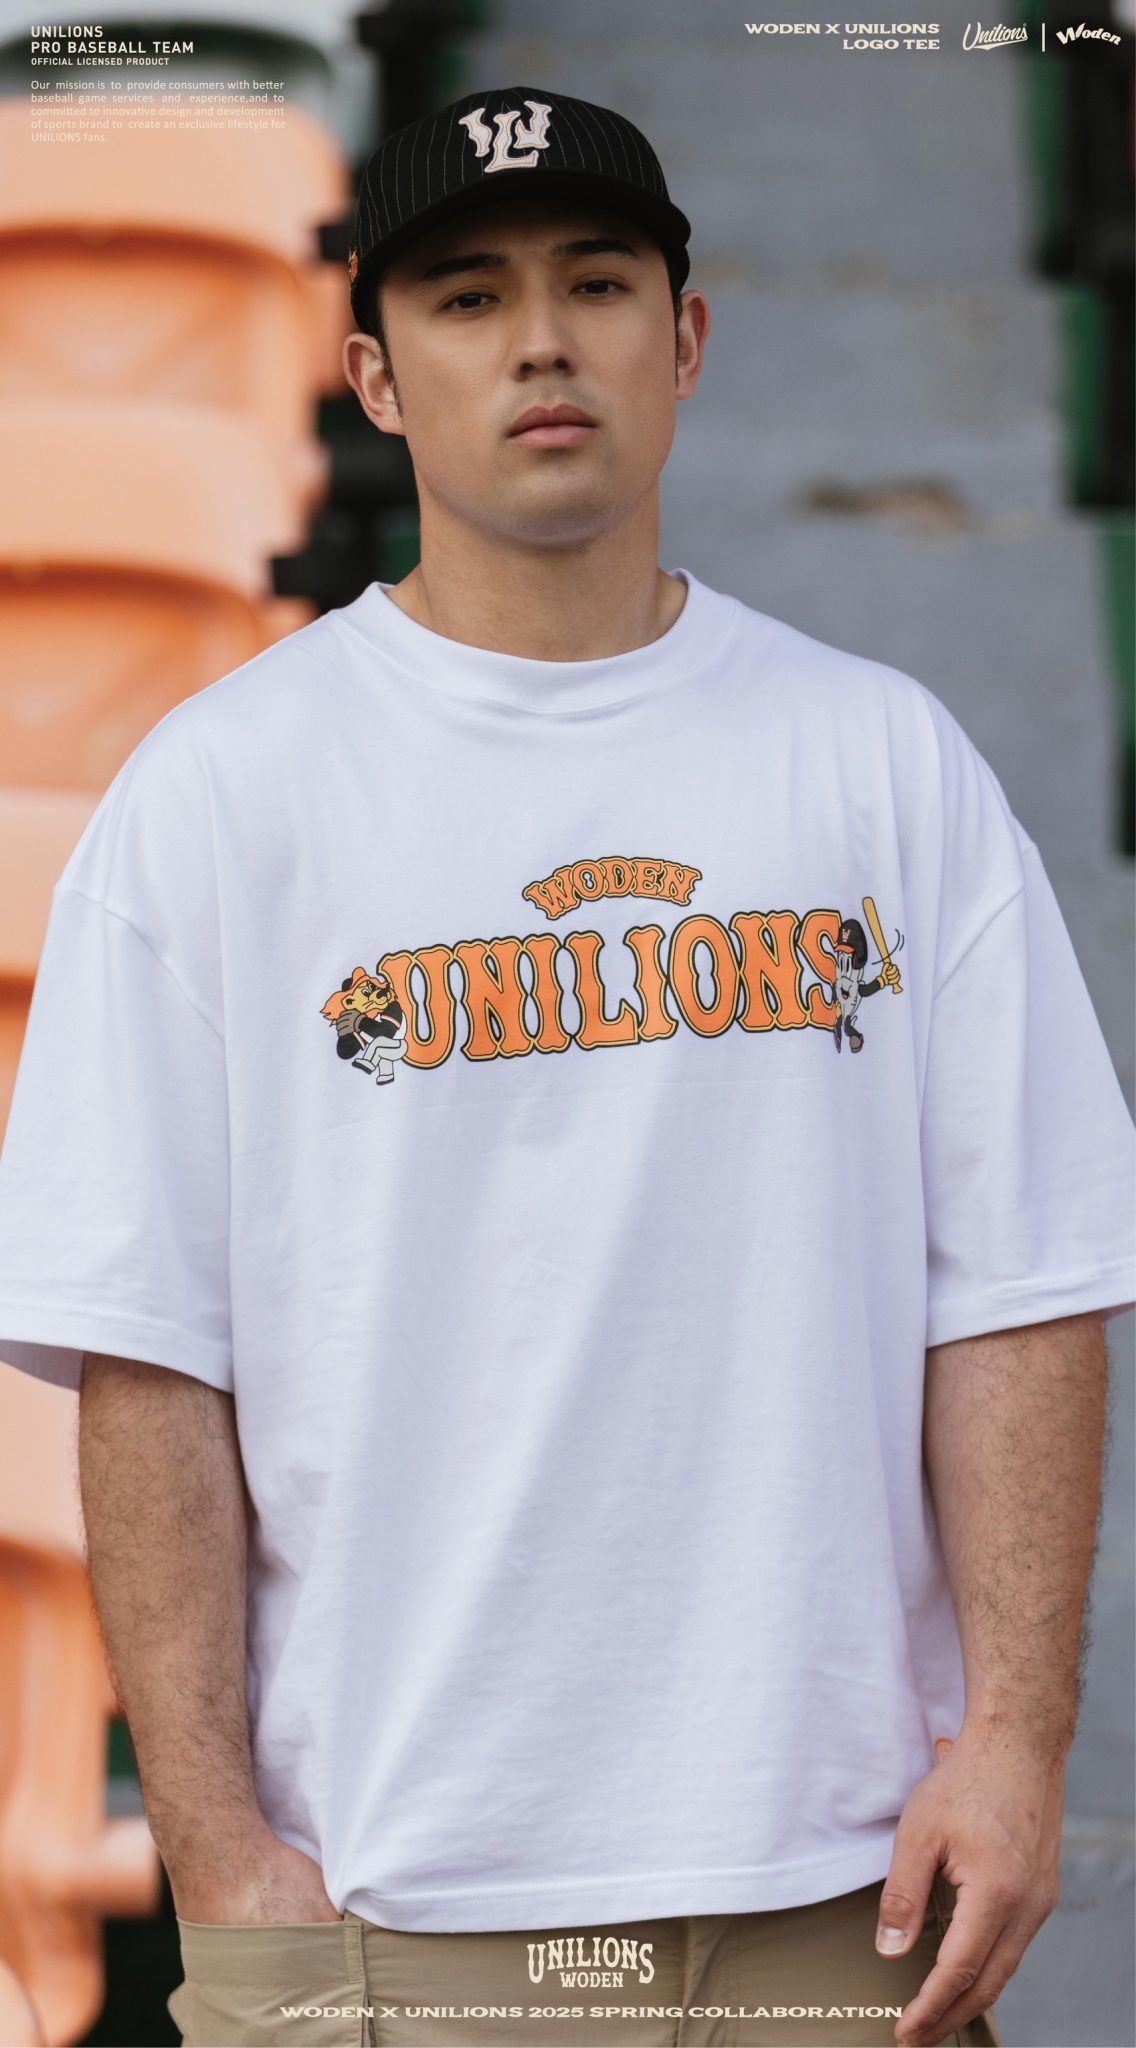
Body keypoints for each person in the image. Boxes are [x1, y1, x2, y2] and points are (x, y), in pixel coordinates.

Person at [0, 83, 1132, 2048]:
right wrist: (218, 1858)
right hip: (396, 1914)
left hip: (842, 1906)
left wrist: (1016, 1743)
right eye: (466, 297)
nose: (539, 340)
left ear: (682, 341)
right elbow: (150, 1358)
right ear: (370, 373)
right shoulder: (221, 796)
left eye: (596, 284)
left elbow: (1021, 1289)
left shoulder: (881, 760)